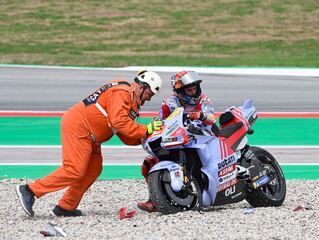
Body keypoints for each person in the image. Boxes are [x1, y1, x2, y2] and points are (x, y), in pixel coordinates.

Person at [15, 70, 164, 217]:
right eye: (149, 94)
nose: (149, 99)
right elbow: (119, 122)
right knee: (74, 169)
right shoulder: (122, 93)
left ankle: (66, 207)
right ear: (141, 86)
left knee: (93, 169)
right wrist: (146, 129)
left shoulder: (128, 98)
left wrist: (147, 135)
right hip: (80, 127)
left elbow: (125, 135)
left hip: (91, 136)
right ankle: (30, 190)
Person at [137, 70, 216, 213]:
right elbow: (162, 120)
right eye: (189, 90)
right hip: (181, 137)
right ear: (180, 91)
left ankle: (210, 186)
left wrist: (201, 115)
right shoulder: (169, 101)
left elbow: (212, 118)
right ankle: (154, 199)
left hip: (205, 136)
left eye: (194, 89)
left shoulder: (204, 100)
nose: (193, 92)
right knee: (149, 162)